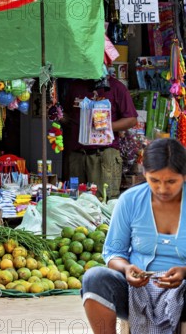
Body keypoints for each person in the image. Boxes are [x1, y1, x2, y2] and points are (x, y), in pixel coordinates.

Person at [82, 138, 186, 333]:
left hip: (184, 291)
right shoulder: (130, 200)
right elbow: (113, 252)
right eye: (154, 180)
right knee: (94, 278)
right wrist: (127, 268)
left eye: (171, 181)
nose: (162, 189)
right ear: (145, 173)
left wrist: (184, 271)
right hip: (136, 291)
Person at [61, 76, 138, 199]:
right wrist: (56, 114)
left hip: (104, 156)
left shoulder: (116, 87)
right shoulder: (75, 86)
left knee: (103, 201)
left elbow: (132, 119)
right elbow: (68, 119)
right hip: (77, 156)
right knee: (74, 200)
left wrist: (106, 126)